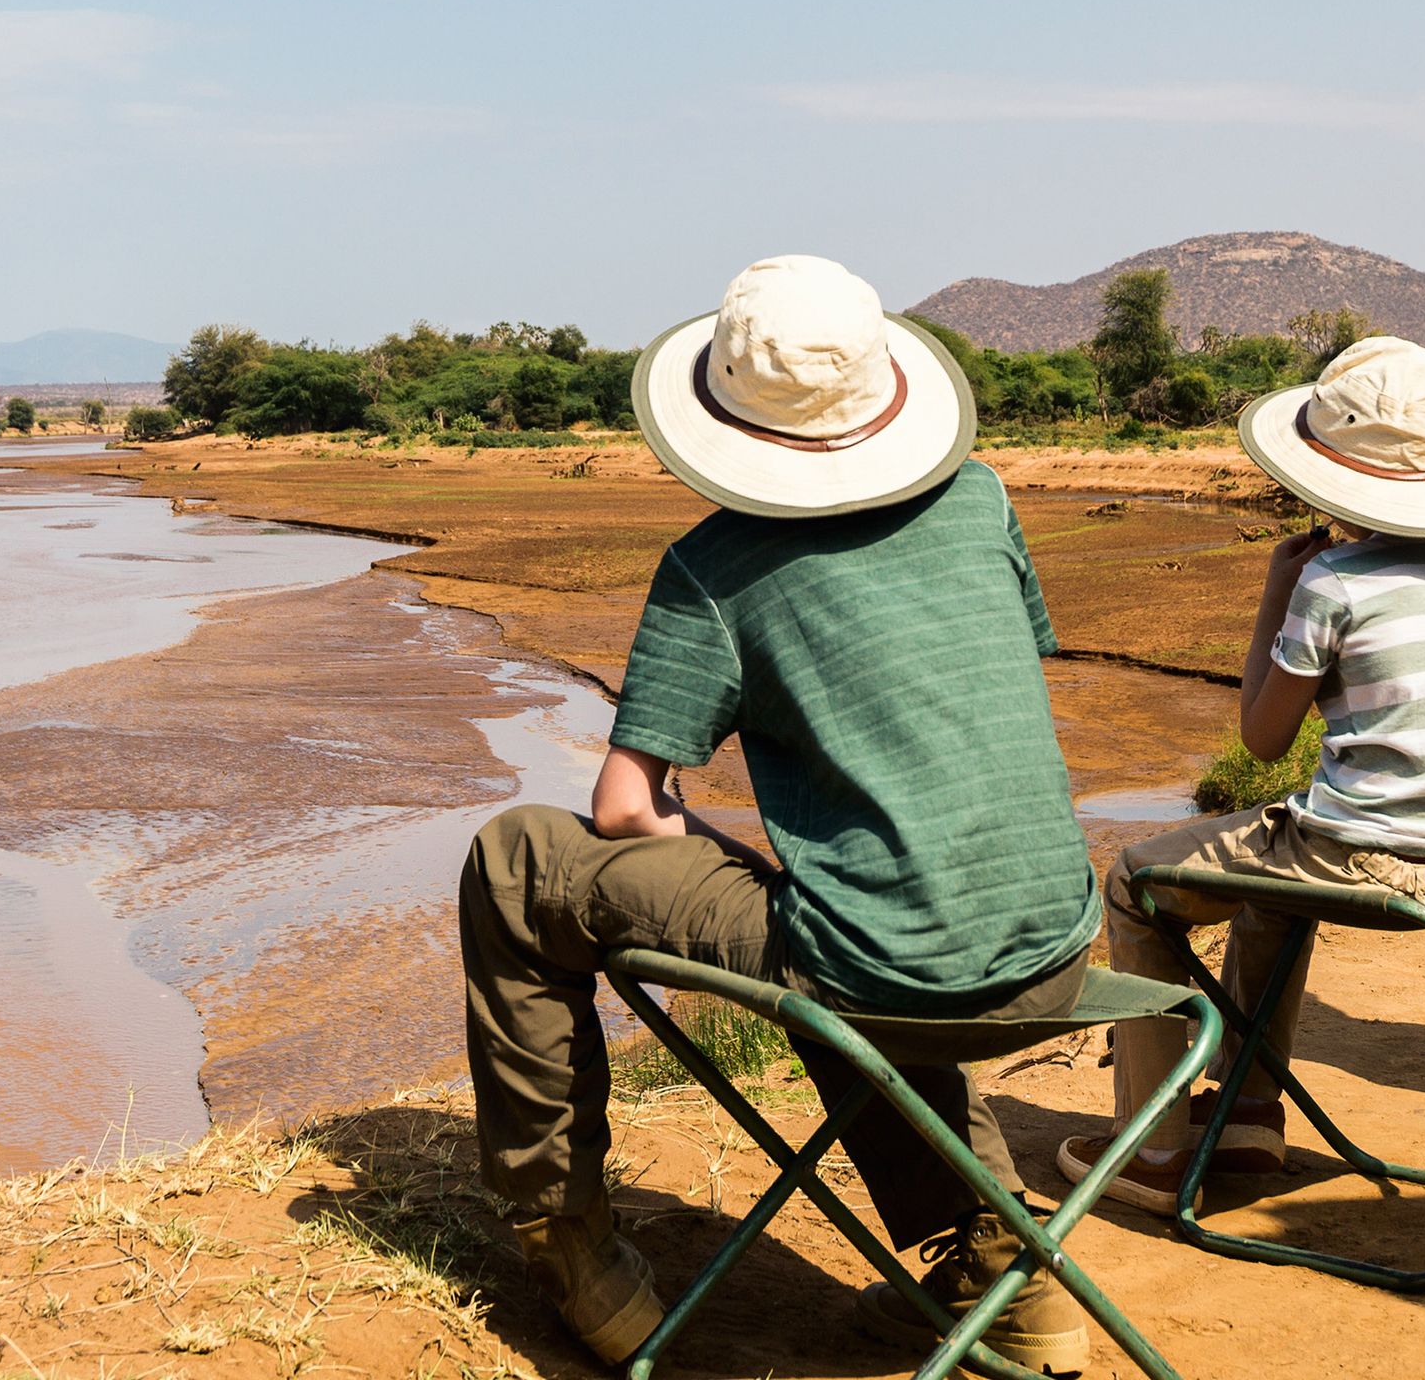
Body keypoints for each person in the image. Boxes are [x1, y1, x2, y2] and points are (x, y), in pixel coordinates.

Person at [455, 254, 1106, 1372]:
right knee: (871, 910)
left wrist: (706, 841)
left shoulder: (714, 566)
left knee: (516, 860)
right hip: (1057, 952)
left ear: (720, 412)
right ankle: (1005, 1275)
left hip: (892, 976)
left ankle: (572, 1251)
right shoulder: (986, 495)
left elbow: (623, 808)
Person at [1057, 335, 1425, 1212]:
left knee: (1133, 884)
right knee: (1275, 885)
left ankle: (1155, 1149)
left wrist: (1273, 603)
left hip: (1363, 859)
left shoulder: (1330, 579)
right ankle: (1248, 1116)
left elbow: (1261, 738)